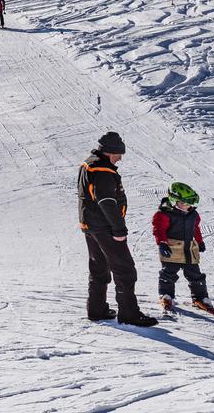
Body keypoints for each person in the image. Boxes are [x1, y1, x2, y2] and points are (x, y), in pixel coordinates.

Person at [77, 131, 158, 325]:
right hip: (105, 228)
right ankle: (129, 314)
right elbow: (107, 202)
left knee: (99, 268)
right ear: (110, 152)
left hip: (91, 226)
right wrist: (119, 230)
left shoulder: (89, 163)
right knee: (125, 270)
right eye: (118, 154)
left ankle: (97, 310)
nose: (120, 158)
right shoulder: (102, 171)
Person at [152, 182, 214, 315]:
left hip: (189, 249)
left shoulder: (193, 214)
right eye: (183, 203)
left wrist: (199, 241)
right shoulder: (164, 214)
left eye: (189, 202)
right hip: (172, 248)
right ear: (173, 200)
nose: (187, 206)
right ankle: (166, 296)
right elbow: (159, 229)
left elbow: (196, 228)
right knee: (168, 274)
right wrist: (162, 243)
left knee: (195, 275)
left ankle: (200, 298)